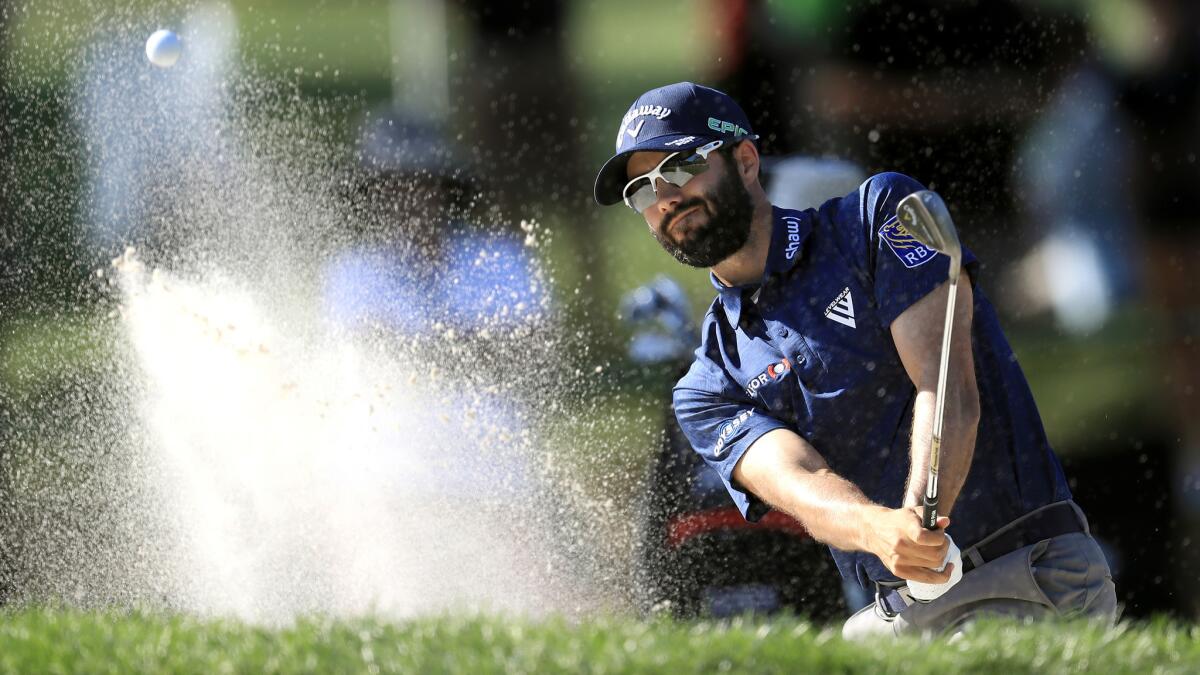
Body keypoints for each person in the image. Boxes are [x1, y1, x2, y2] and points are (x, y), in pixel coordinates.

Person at [592, 82, 1117, 637]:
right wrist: (881, 531)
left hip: (1017, 571)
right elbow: (802, 481)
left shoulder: (873, 220)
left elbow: (945, 386)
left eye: (676, 170)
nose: (664, 199)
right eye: (641, 193)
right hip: (892, 612)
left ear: (745, 160)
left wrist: (921, 519)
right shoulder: (707, 383)